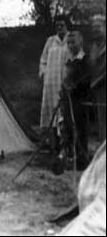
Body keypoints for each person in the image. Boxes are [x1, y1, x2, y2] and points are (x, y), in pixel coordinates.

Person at [39, 15, 71, 153]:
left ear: (67, 25)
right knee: (52, 113)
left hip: (65, 80)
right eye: (57, 25)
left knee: (64, 112)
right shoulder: (50, 41)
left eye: (62, 25)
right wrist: (44, 73)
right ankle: (54, 145)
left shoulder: (71, 39)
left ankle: (66, 147)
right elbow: (43, 60)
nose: (59, 28)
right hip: (51, 83)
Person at [60, 31, 91, 170]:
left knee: (80, 128)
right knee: (68, 127)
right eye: (68, 43)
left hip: (80, 100)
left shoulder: (85, 60)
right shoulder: (69, 61)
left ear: (81, 43)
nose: (71, 45)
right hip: (68, 100)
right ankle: (69, 157)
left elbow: (87, 80)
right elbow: (65, 79)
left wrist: (75, 86)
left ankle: (82, 159)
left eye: (73, 42)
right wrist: (64, 88)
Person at [89, 15, 106, 141]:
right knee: (101, 122)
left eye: (98, 27)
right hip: (98, 91)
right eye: (93, 27)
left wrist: (97, 81)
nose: (95, 30)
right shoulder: (93, 48)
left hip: (102, 84)